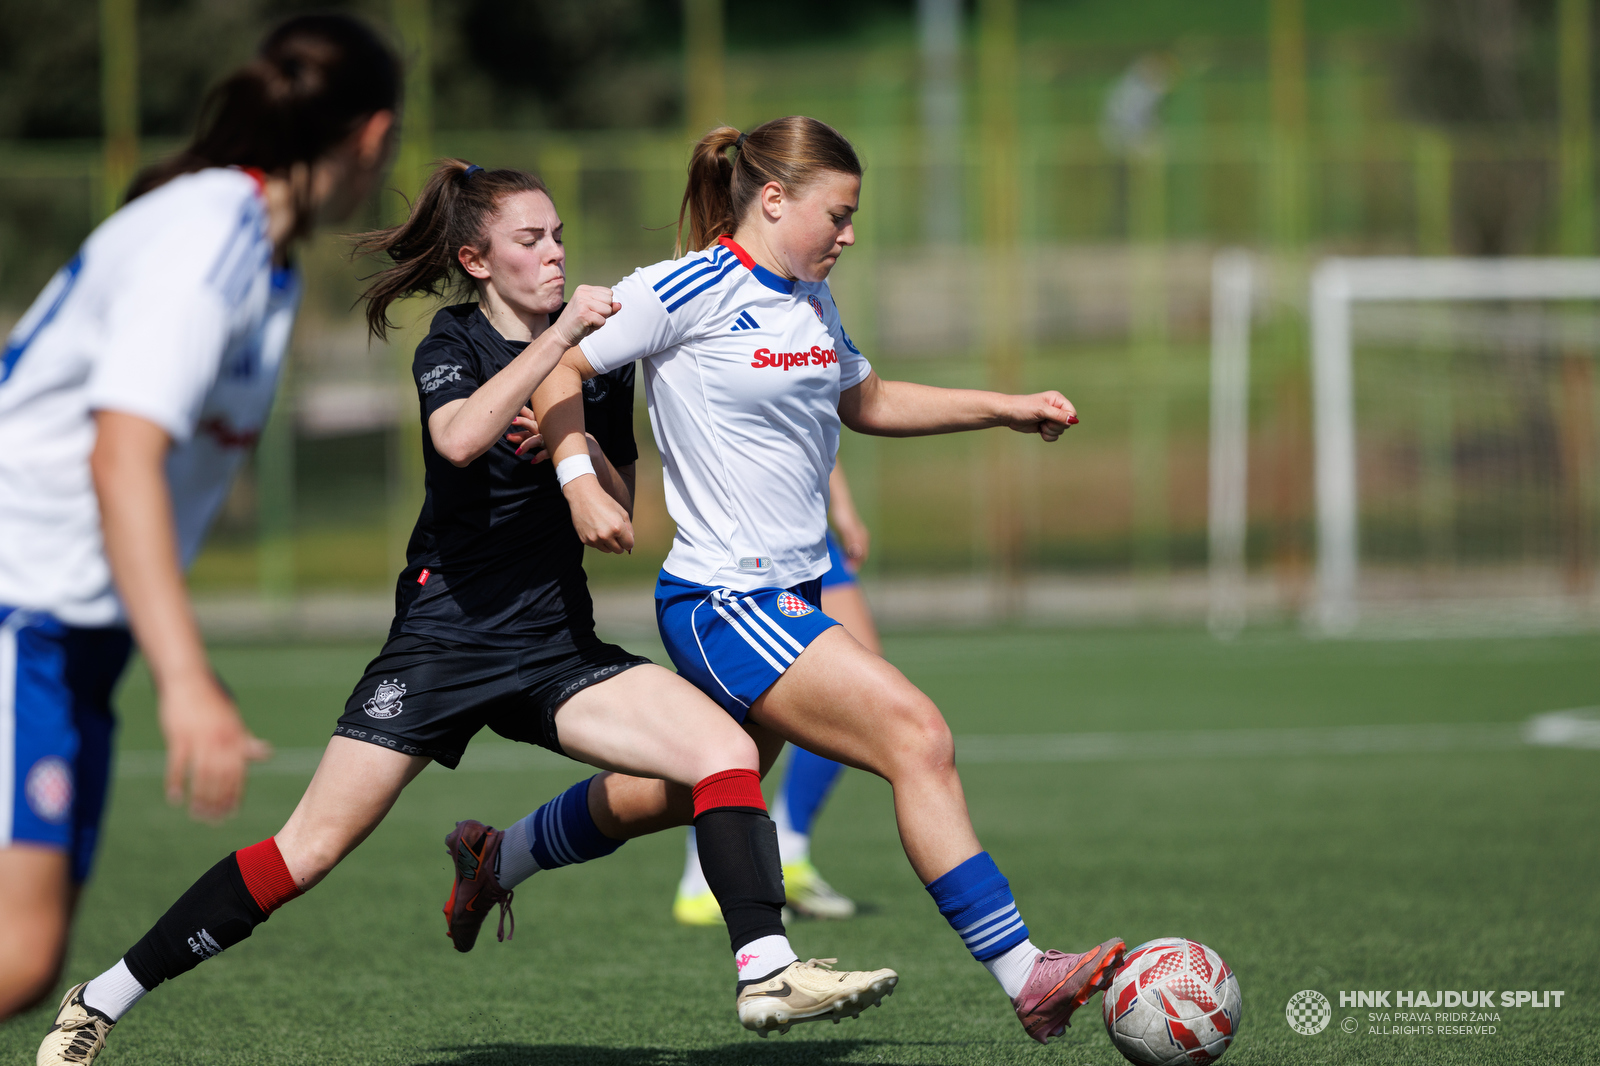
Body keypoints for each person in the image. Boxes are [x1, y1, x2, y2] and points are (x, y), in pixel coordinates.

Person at [40, 146, 896, 1064]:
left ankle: (764, 969)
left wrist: (581, 456)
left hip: (556, 648)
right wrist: (555, 343)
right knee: (308, 852)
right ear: (481, 262)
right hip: (442, 644)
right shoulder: (456, 343)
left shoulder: (600, 365)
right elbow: (458, 438)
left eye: (559, 235)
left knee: (724, 753)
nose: (557, 253)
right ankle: (99, 1000)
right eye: (531, 240)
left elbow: (619, 501)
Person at [511, 115, 1125, 1046]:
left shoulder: (808, 300)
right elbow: (558, 364)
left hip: (784, 595)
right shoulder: (683, 287)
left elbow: (864, 400)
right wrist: (579, 484)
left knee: (688, 787)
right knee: (916, 735)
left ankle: (496, 855)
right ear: (772, 198)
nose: (848, 236)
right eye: (836, 216)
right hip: (725, 600)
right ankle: (1026, 973)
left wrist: (1003, 406)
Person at [0, 11, 397, 1032]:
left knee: (24, 959)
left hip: (68, 634)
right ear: (368, 136)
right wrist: (187, 679)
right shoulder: (210, 233)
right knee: (17, 953)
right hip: (16, 610)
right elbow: (120, 452)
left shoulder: (254, 249)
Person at [674, 464, 876, 925]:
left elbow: (814, 409)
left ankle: (791, 850)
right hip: (747, 516)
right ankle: (705, 873)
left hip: (805, 519)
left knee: (854, 692)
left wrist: (840, 506)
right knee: (737, 707)